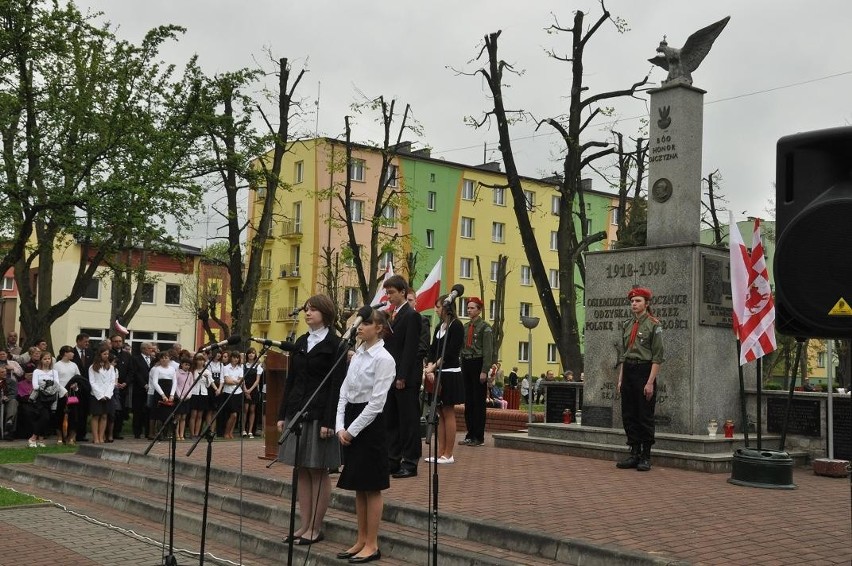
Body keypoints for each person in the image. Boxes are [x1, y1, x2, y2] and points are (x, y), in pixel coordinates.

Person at [276, 295, 345, 545]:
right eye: (306, 309)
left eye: (313, 309)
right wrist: (284, 414)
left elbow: (336, 386)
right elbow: (291, 380)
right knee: (301, 469)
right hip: (298, 411)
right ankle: (304, 524)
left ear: (325, 313)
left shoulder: (336, 344)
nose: (308, 313)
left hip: (320, 414)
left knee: (318, 469)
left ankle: (316, 527)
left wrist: (330, 420)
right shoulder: (302, 341)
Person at [335, 308, 395, 563]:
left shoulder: (384, 358)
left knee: (372, 486)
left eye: (367, 323)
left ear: (379, 328)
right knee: (358, 485)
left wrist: (352, 430)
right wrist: (339, 425)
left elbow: (376, 403)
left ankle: (372, 543)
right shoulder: (358, 354)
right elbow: (344, 392)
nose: (360, 327)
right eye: (360, 323)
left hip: (370, 425)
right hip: (350, 418)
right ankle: (360, 538)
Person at [616, 286, 664, 472]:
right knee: (629, 414)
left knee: (644, 415)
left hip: (644, 371)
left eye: (638, 301)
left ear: (647, 303)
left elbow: (658, 356)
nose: (634, 304)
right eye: (632, 301)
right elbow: (624, 355)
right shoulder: (627, 324)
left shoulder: (654, 324)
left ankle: (646, 455)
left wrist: (650, 381)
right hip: (628, 370)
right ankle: (634, 453)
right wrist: (621, 379)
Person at [381, 275, 424, 479]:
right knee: (391, 418)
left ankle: (410, 461)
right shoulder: (393, 315)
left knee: (408, 421)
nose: (388, 296)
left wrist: (402, 375)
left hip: (404, 377)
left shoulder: (411, 315)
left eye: (391, 292)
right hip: (390, 375)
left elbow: (410, 348)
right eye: (387, 292)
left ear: (403, 293)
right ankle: (392, 458)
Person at [423, 295, 464, 465]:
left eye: (438, 307)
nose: (436, 309)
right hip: (438, 372)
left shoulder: (457, 326)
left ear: (447, 308)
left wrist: (433, 367)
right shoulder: (440, 326)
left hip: (450, 372)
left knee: (448, 411)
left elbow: (450, 352)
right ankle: (440, 452)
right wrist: (430, 365)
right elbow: (433, 348)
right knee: (439, 412)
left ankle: (449, 453)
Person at [458, 297, 493, 447]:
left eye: (472, 308)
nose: (469, 310)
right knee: (469, 401)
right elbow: (462, 347)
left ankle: (478, 436)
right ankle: (470, 434)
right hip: (466, 362)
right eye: (468, 308)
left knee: (478, 402)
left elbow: (488, 351)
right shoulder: (465, 327)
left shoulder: (485, 327)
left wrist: (484, 370)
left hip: (478, 363)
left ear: (479, 310)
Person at [29, 351, 64, 447]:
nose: (47, 361)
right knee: (44, 417)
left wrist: (47, 385)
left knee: (46, 419)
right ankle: (33, 438)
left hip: (50, 398)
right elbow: (35, 386)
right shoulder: (37, 371)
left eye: (49, 359)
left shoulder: (54, 372)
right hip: (40, 397)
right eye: (45, 359)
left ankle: (41, 439)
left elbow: (56, 384)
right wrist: (46, 385)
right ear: (41, 360)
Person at [54, 346, 84, 444]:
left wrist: (76, 386)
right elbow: (55, 381)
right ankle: (59, 437)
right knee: (60, 415)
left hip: (72, 394)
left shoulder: (74, 365)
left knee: (74, 415)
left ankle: (71, 437)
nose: (73, 354)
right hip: (61, 394)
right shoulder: (57, 365)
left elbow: (78, 378)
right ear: (65, 353)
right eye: (71, 352)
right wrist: (63, 391)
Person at [88, 346, 117, 445]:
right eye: (104, 354)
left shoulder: (111, 367)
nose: (106, 356)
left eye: (107, 354)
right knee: (96, 416)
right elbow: (92, 382)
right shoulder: (92, 367)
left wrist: (108, 394)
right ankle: (95, 437)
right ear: (99, 355)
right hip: (96, 395)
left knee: (104, 416)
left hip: (108, 395)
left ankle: (101, 437)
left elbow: (112, 382)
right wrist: (100, 395)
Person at [107, 334, 131, 441]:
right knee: (111, 411)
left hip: (123, 387)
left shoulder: (127, 355)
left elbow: (131, 371)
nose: (118, 343)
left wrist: (126, 382)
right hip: (110, 388)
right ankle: (107, 433)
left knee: (120, 411)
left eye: (120, 341)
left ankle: (117, 431)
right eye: (115, 341)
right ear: (111, 342)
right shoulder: (108, 354)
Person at [129, 342, 155, 439]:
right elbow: (136, 373)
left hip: (151, 389)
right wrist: (144, 384)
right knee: (138, 411)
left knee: (148, 411)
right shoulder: (136, 359)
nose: (151, 350)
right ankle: (137, 432)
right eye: (150, 349)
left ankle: (148, 432)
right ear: (144, 349)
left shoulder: (153, 360)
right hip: (139, 389)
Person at [71, 333, 93, 442]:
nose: (87, 343)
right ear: (78, 341)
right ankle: (71, 434)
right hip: (74, 388)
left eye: (88, 341)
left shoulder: (90, 353)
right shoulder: (71, 352)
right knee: (74, 411)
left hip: (86, 387)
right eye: (85, 341)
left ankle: (81, 434)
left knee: (84, 411)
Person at [219, 349, 244, 439]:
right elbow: (227, 381)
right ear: (231, 358)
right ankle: (226, 432)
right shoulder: (226, 367)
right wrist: (236, 381)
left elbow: (241, 381)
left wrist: (233, 380)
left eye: (237, 358)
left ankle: (231, 432)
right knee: (232, 414)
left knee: (235, 414)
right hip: (228, 392)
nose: (236, 359)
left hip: (238, 392)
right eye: (234, 357)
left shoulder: (240, 369)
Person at [189, 353, 212, 439]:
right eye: (199, 360)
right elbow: (190, 383)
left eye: (202, 360)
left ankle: (197, 433)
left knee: (200, 415)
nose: (200, 362)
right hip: (194, 393)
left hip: (203, 393)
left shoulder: (207, 371)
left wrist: (206, 378)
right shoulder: (192, 371)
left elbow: (208, 385)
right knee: (193, 414)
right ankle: (192, 434)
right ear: (196, 361)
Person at [241, 347, 263, 438]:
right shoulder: (243, 366)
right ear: (247, 355)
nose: (251, 354)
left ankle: (250, 431)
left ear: (255, 355)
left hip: (253, 390)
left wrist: (250, 390)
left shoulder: (258, 367)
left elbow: (257, 380)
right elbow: (242, 379)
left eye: (253, 353)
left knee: (252, 410)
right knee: (245, 410)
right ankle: (243, 430)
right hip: (244, 388)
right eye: (249, 353)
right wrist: (246, 390)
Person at [173, 357, 194, 441]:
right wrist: (180, 396)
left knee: (184, 417)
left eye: (189, 365)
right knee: (178, 417)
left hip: (187, 398)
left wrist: (189, 395)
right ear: (181, 364)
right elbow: (176, 386)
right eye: (186, 364)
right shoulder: (177, 373)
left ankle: (182, 434)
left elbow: (191, 385)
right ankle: (177, 434)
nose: (187, 366)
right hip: (179, 398)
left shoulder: (190, 374)